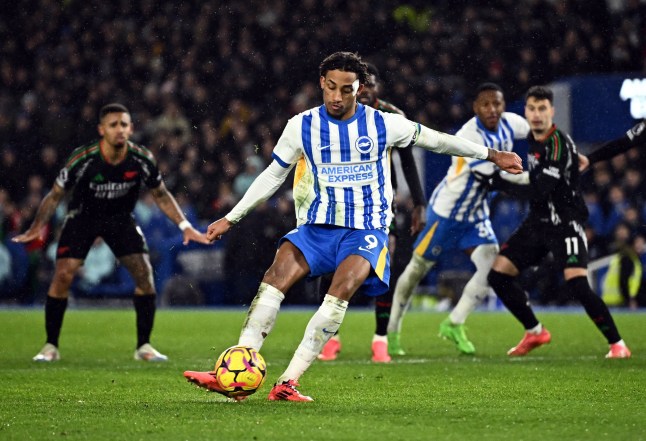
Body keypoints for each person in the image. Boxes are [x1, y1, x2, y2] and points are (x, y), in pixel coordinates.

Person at [183, 51, 522, 401]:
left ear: (359, 89)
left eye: (346, 89)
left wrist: (492, 155)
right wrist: (231, 217)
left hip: (366, 230)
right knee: (272, 279)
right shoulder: (301, 126)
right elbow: (273, 175)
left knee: (338, 293)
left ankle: (288, 382)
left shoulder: (383, 123)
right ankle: (236, 369)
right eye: (331, 87)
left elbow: (436, 140)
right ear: (321, 84)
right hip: (317, 227)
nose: (336, 96)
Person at [13, 103, 209, 362]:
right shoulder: (83, 158)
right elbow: (55, 195)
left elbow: (160, 194)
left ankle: (144, 347)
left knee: (145, 275)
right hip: (82, 218)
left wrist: (185, 226)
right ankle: (50, 346)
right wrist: (36, 227)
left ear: (131, 128)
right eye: (114, 125)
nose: (120, 130)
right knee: (63, 275)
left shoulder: (141, 158)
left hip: (120, 220)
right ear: (101, 129)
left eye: (124, 125)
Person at [478, 86, 631, 358]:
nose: (536, 115)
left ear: (552, 111)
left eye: (542, 109)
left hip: (565, 223)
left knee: (577, 283)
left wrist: (498, 182)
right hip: (538, 222)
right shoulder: (532, 140)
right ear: (525, 111)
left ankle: (618, 345)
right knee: (498, 276)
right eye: (532, 109)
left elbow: (539, 190)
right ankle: (535, 331)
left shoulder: (558, 144)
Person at [386, 83, 530, 355]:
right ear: (475, 108)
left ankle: (454, 322)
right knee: (416, 270)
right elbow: (497, 177)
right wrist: (538, 179)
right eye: (485, 104)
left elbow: (535, 130)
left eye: (497, 103)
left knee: (491, 268)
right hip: (446, 215)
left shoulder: (512, 123)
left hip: (476, 216)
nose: (492, 109)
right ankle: (391, 331)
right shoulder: (469, 134)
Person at [317, 62, 427, 363]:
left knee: (382, 267)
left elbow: (407, 162)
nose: (363, 91)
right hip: (336, 202)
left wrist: (419, 202)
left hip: (378, 206)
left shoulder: (391, 117)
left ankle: (380, 339)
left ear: (373, 88)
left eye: (370, 85)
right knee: (329, 267)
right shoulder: (329, 113)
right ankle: (330, 337)